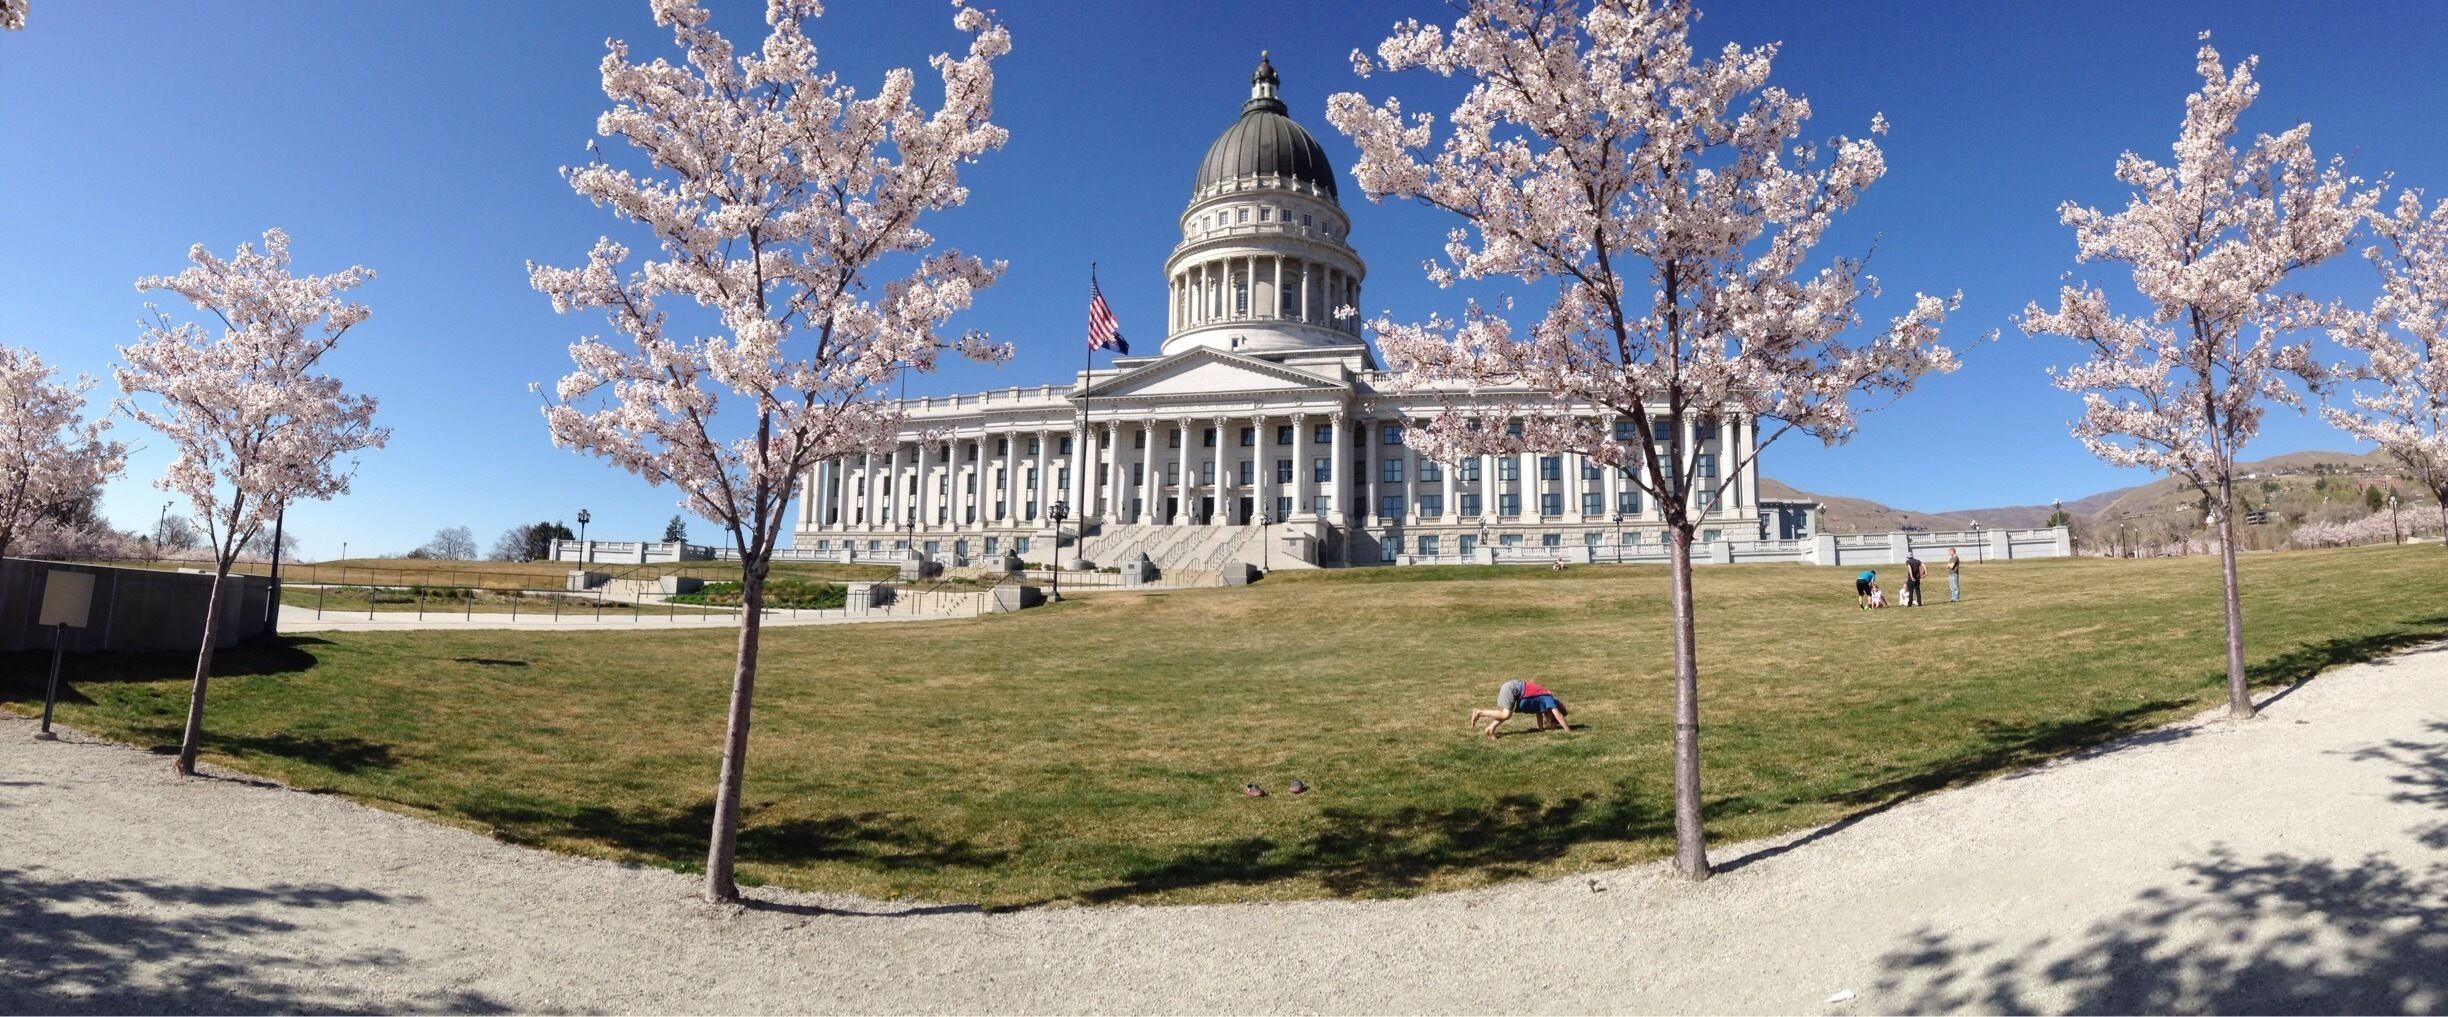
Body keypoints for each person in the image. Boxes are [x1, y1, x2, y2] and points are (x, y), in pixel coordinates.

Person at [1469, 678, 1571, 737]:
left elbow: (1538, 714)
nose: (1549, 718)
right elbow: (1559, 716)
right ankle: (1480, 712)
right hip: (1513, 689)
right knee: (1506, 714)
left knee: (1505, 714)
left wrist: (1541, 730)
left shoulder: (1542, 702)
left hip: (1513, 688)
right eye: (1551, 718)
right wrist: (1568, 730)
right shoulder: (1549, 699)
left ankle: (1490, 730)